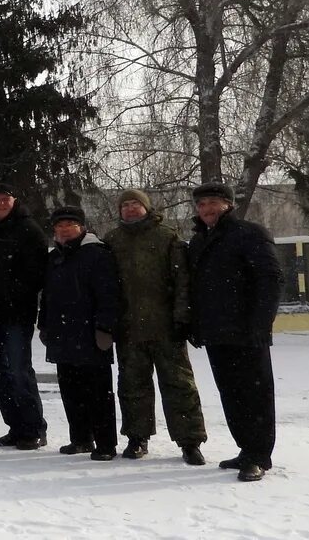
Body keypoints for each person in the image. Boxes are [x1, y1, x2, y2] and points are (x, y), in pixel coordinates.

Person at [187, 183, 283, 482]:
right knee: (231, 394)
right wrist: (197, 325)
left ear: (228, 205)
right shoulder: (199, 241)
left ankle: (259, 455)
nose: (207, 210)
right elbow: (197, 289)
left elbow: (271, 279)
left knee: (256, 394)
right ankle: (245, 448)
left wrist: (260, 324)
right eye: (201, 205)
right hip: (217, 333)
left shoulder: (248, 233)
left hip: (246, 331)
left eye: (213, 203)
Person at [103, 188, 207, 465]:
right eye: (124, 205)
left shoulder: (167, 236)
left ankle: (190, 441)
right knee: (132, 385)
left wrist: (182, 317)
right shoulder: (112, 241)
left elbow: (182, 280)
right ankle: (137, 437)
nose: (130, 208)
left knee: (179, 386)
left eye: (135, 203)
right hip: (129, 329)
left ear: (146, 207)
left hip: (165, 327)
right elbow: (106, 286)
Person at [39, 206, 120, 461]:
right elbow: (48, 296)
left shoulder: (97, 254)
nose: (64, 229)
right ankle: (81, 438)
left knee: (98, 392)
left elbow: (109, 294)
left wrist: (105, 326)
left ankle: (106, 443)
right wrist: (44, 325)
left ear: (82, 227)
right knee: (71, 390)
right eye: (59, 225)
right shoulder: (54, 258)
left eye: (70, 225)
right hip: (62, 333)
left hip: (91, 334)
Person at [0, 183, 49, 450]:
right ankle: (15, 426)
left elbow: (37, 273)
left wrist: (14, 295)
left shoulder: (29, 230)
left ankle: (33, 427)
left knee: (19, 371)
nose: (1, 203)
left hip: (17, 314)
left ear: (14, 200)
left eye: (6, 198)